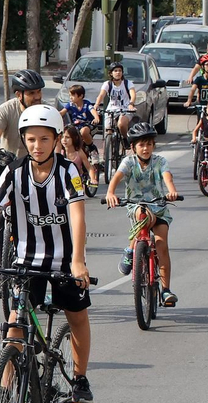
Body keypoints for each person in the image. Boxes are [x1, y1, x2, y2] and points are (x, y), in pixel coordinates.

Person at [0, 105, 94, 403]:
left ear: (57, 139)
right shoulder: (15, 171)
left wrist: (78, 261)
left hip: (64, 261)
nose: (37, 146)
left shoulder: (68, 171)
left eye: (44, 139)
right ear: (23, 139)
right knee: (15, 327)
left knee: (78, 315)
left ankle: (80, 378)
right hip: (26, 261)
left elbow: (77, 216)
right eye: (31, 139)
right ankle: (4, 394)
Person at [106, 122, 181, 307]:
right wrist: (110, 193)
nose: (145, 148)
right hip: (136, 206)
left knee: (162, 244)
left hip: (159, 207)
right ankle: (131, 250)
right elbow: (117, 177)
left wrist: (172, 191)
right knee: (142, 213)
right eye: (141, 144)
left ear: (153, 145)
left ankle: (165, 290)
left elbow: (167, 177)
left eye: (148, 144)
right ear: (133, 147)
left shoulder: (160, 161)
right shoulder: (128, 162)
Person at [0, 68, 48, 184]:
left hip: (38, 169)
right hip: (11, 167)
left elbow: (57, 142)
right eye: (31, 93)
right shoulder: (6, 110)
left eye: (39, 91)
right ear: (19, 95)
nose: (37, 97)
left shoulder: (47, 111)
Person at [63, 84, 101, 188]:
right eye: (70, 95)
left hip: (87, 126)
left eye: (72, 95)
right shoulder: (70, 105)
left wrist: (96, 118)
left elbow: (93, 111)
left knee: (84, 132)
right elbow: (62, 112)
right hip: (75, 128)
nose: (70, 97)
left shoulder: (86, 104)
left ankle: (91, 147)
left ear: (80, 96)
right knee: (66, 133)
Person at [94, 61, 137, 141]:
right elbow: (101, 95)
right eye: (115, 71)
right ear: (111, 73)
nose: (118, 73)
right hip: (111, 109)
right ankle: (109, 147)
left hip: (125, 109)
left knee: (121, 124)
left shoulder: (128, 83)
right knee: (108, 128)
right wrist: (96, 104)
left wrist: (131, 104)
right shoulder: (107, 84)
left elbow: (133, 94)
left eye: (120, 71)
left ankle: (125, 139)